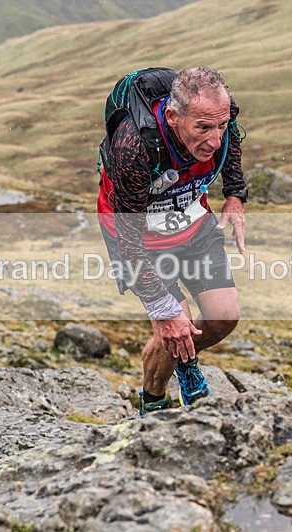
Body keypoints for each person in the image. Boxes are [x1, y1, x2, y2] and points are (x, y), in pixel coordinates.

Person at [96, 66, 248, 414]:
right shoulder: (134, 147)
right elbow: (128, 242)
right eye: (203, 128)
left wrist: (235, 194)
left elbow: (233, 141)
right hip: (139, 239)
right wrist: (163, 311)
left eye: (221, 125)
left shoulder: (219, 119)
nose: (215, 140)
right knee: (174, 330)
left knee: (225, 317)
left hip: (192, 224)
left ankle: (184, 360)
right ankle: (152, 400)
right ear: (172, 116)